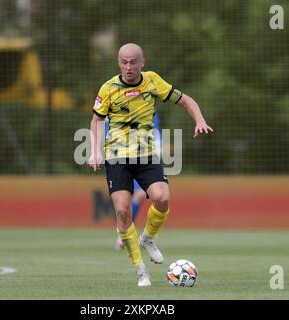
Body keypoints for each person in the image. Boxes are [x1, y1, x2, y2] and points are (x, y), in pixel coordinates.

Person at [89, 43, 213, 286]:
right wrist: (94, 152)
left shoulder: (153, 81)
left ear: (142, 62)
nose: (128, 67)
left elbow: (186, 100)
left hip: (146, 156)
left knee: (162, 197)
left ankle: (148, 238)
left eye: (133, 62)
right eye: (124, 62)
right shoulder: (108, 88)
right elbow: (96, 120)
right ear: (118, 63)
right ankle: (140, 269)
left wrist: (199, 119)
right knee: (123, 211)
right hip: (117, 158)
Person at [109, 113, 161, 250]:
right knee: (123, 201)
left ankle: (135, 236)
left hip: (143, 159)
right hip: (119, 159)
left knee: (141, 194)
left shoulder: (149, 109)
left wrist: (156, 153)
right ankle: (123, 234)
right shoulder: (111, 110)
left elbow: (156, 135)